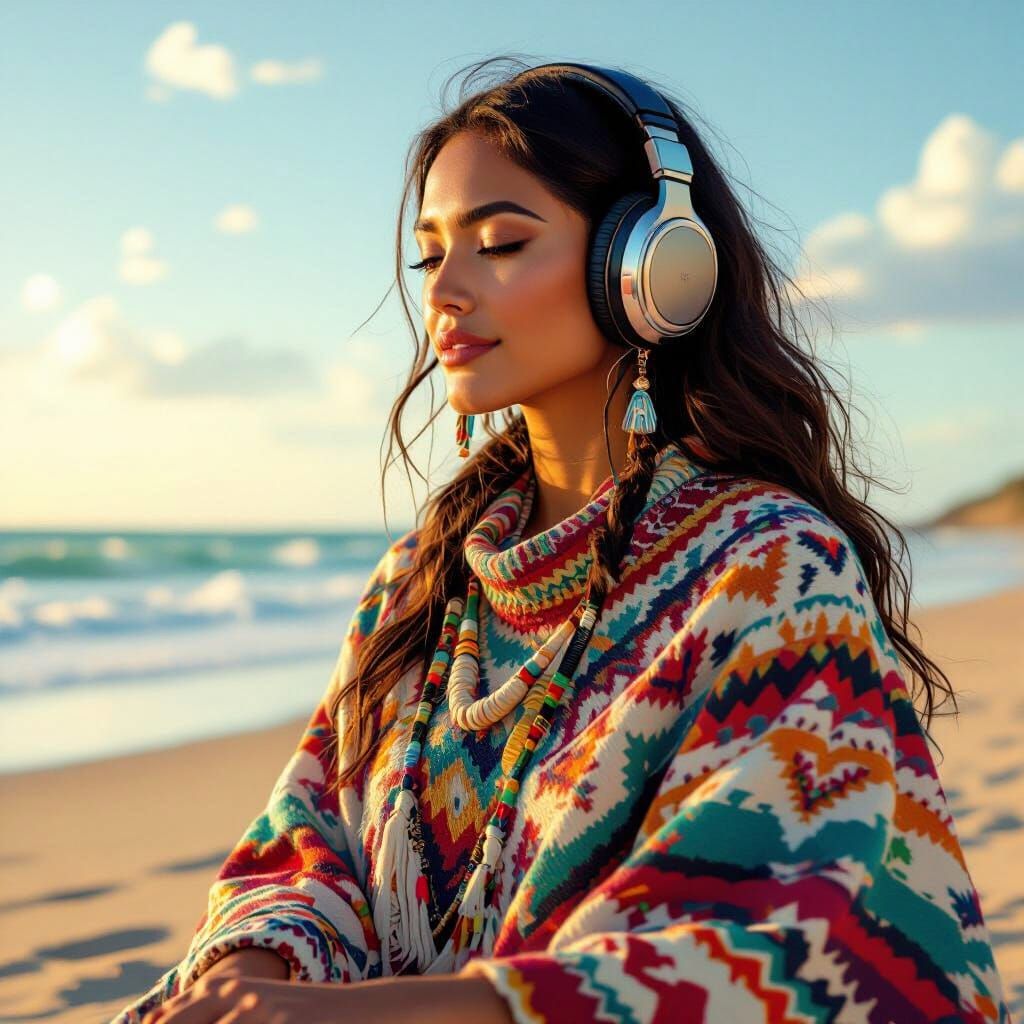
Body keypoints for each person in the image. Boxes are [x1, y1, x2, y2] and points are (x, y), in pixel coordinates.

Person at [113, 58, 1008, 1024]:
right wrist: (262, 972)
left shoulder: (772, 567)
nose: (446, 290)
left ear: (653, 266)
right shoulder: (421, 579)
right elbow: (308, 830)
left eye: (498, 242)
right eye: (429, 254)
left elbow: (787, 940)